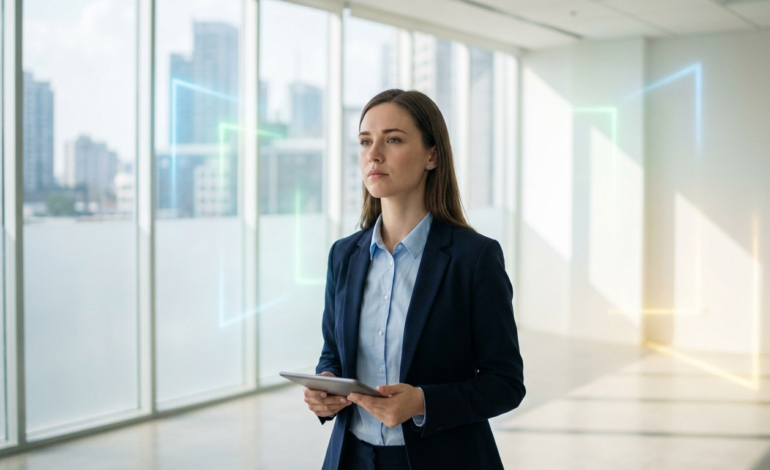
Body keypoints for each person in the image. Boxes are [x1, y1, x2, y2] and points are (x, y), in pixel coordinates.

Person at [303, 89, 525, 470]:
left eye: (392, 139)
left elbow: (505, 384)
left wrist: (422, 402)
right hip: (352, 456)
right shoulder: (344, 255)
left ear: (432, 156)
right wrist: (326, 385)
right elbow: (333, 355)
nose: (373, 154)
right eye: (364, 141)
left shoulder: (474, 258)